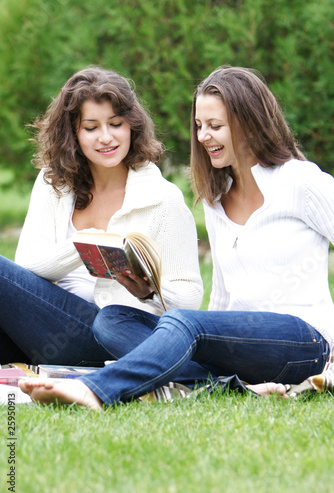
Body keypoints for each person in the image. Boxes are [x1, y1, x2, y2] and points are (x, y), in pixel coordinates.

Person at [20, 65, 334, 409]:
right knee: (113, 320)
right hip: (242, 347)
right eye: (199, 126)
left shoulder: (301, 183)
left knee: (184, 322)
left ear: (250, 123)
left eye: (214, 126)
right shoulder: (218, 197)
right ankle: (221, 385)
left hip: (303, 339)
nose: (202, 136)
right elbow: (222, 295)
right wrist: (150, 291)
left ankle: (95, 389)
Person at [0, 66, 204, 368]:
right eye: (91, 128)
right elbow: (27, 266)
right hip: (47, 327)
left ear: (131, 126)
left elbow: (191, 297)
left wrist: (149, 292)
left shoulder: (163, 198)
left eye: (115, 123)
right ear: (73, 133)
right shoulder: (53, 183)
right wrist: (83, 245)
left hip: (111, 335)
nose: (106, 137)